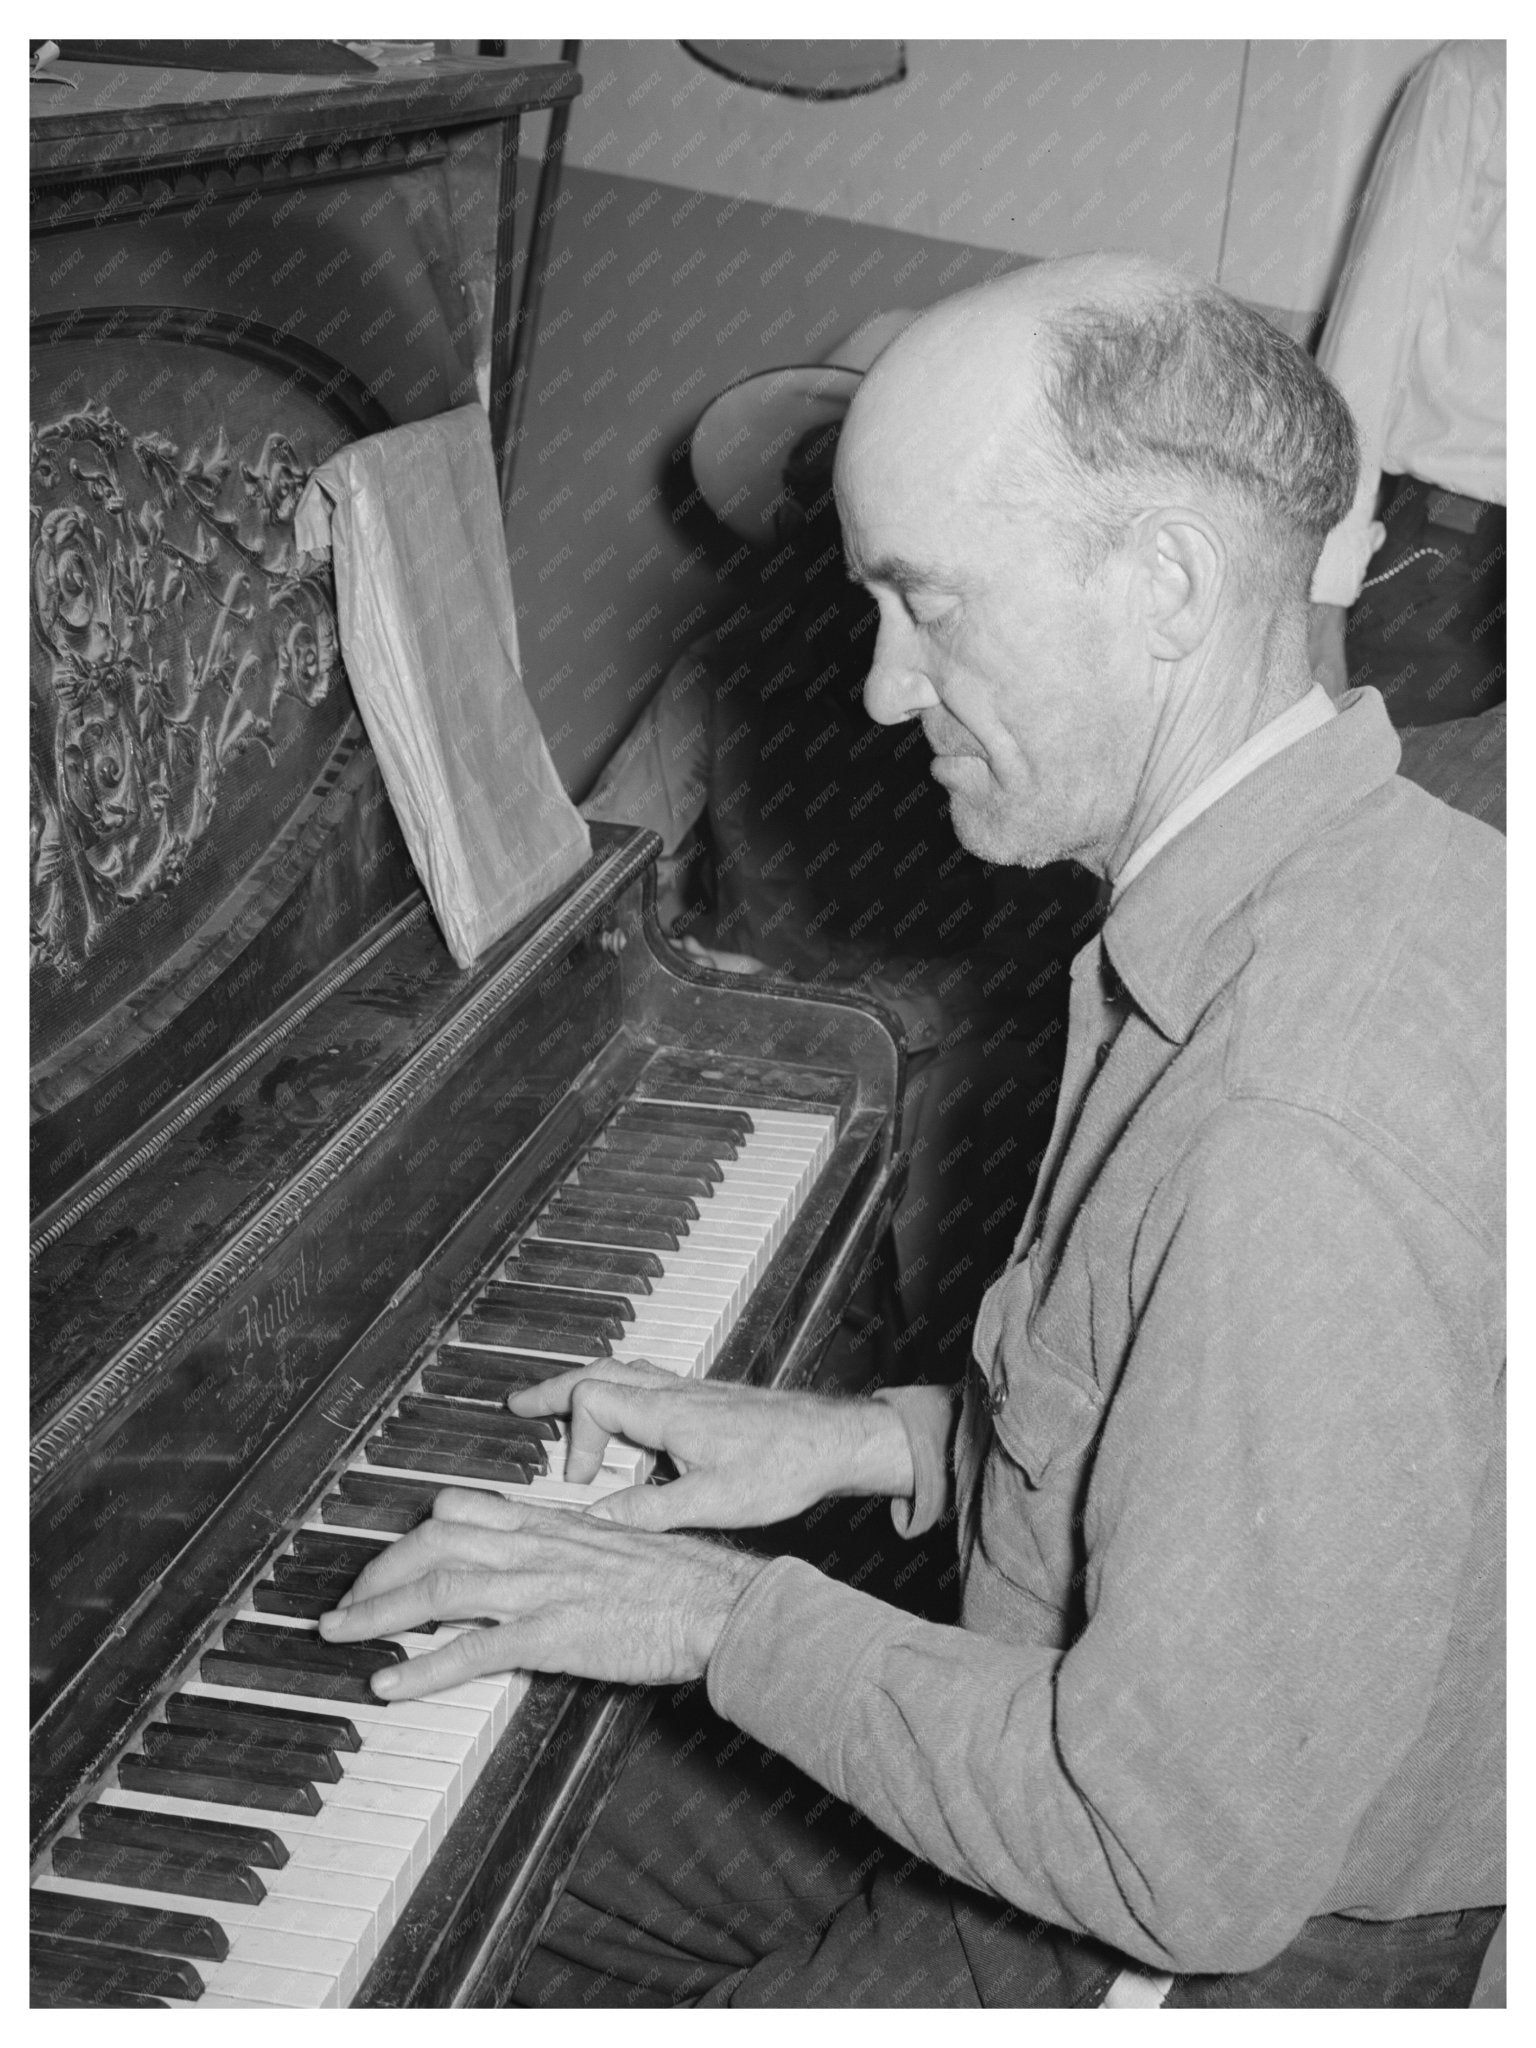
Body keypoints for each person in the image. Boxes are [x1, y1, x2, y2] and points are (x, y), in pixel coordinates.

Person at [322, 256, 1505, 2007]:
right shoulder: (1383, 876)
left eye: (930, 606)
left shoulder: (1286, 1126)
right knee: (445, 1804)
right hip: (1104, 1751)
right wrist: (865, 1443)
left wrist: (718, 1615)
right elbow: (1221, 1455)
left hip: (1182, 1934)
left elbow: (1175, 1853)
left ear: (1166, 583)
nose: (883, 690)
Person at [583, 321, 1098, 1382]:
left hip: (924, 1078)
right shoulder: (726, 662)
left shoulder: (997, 700)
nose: (834, 530)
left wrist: (828, 1022)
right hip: (718, 1033)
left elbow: (1025, 973)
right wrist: (667, 967)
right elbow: (605, 850)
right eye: (814, 492)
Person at [1308, 41, 1504, 725]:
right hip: (1456, 556)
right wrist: (1323, 599)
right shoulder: (1482, 77)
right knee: (1357, 808)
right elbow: (1370, 328)